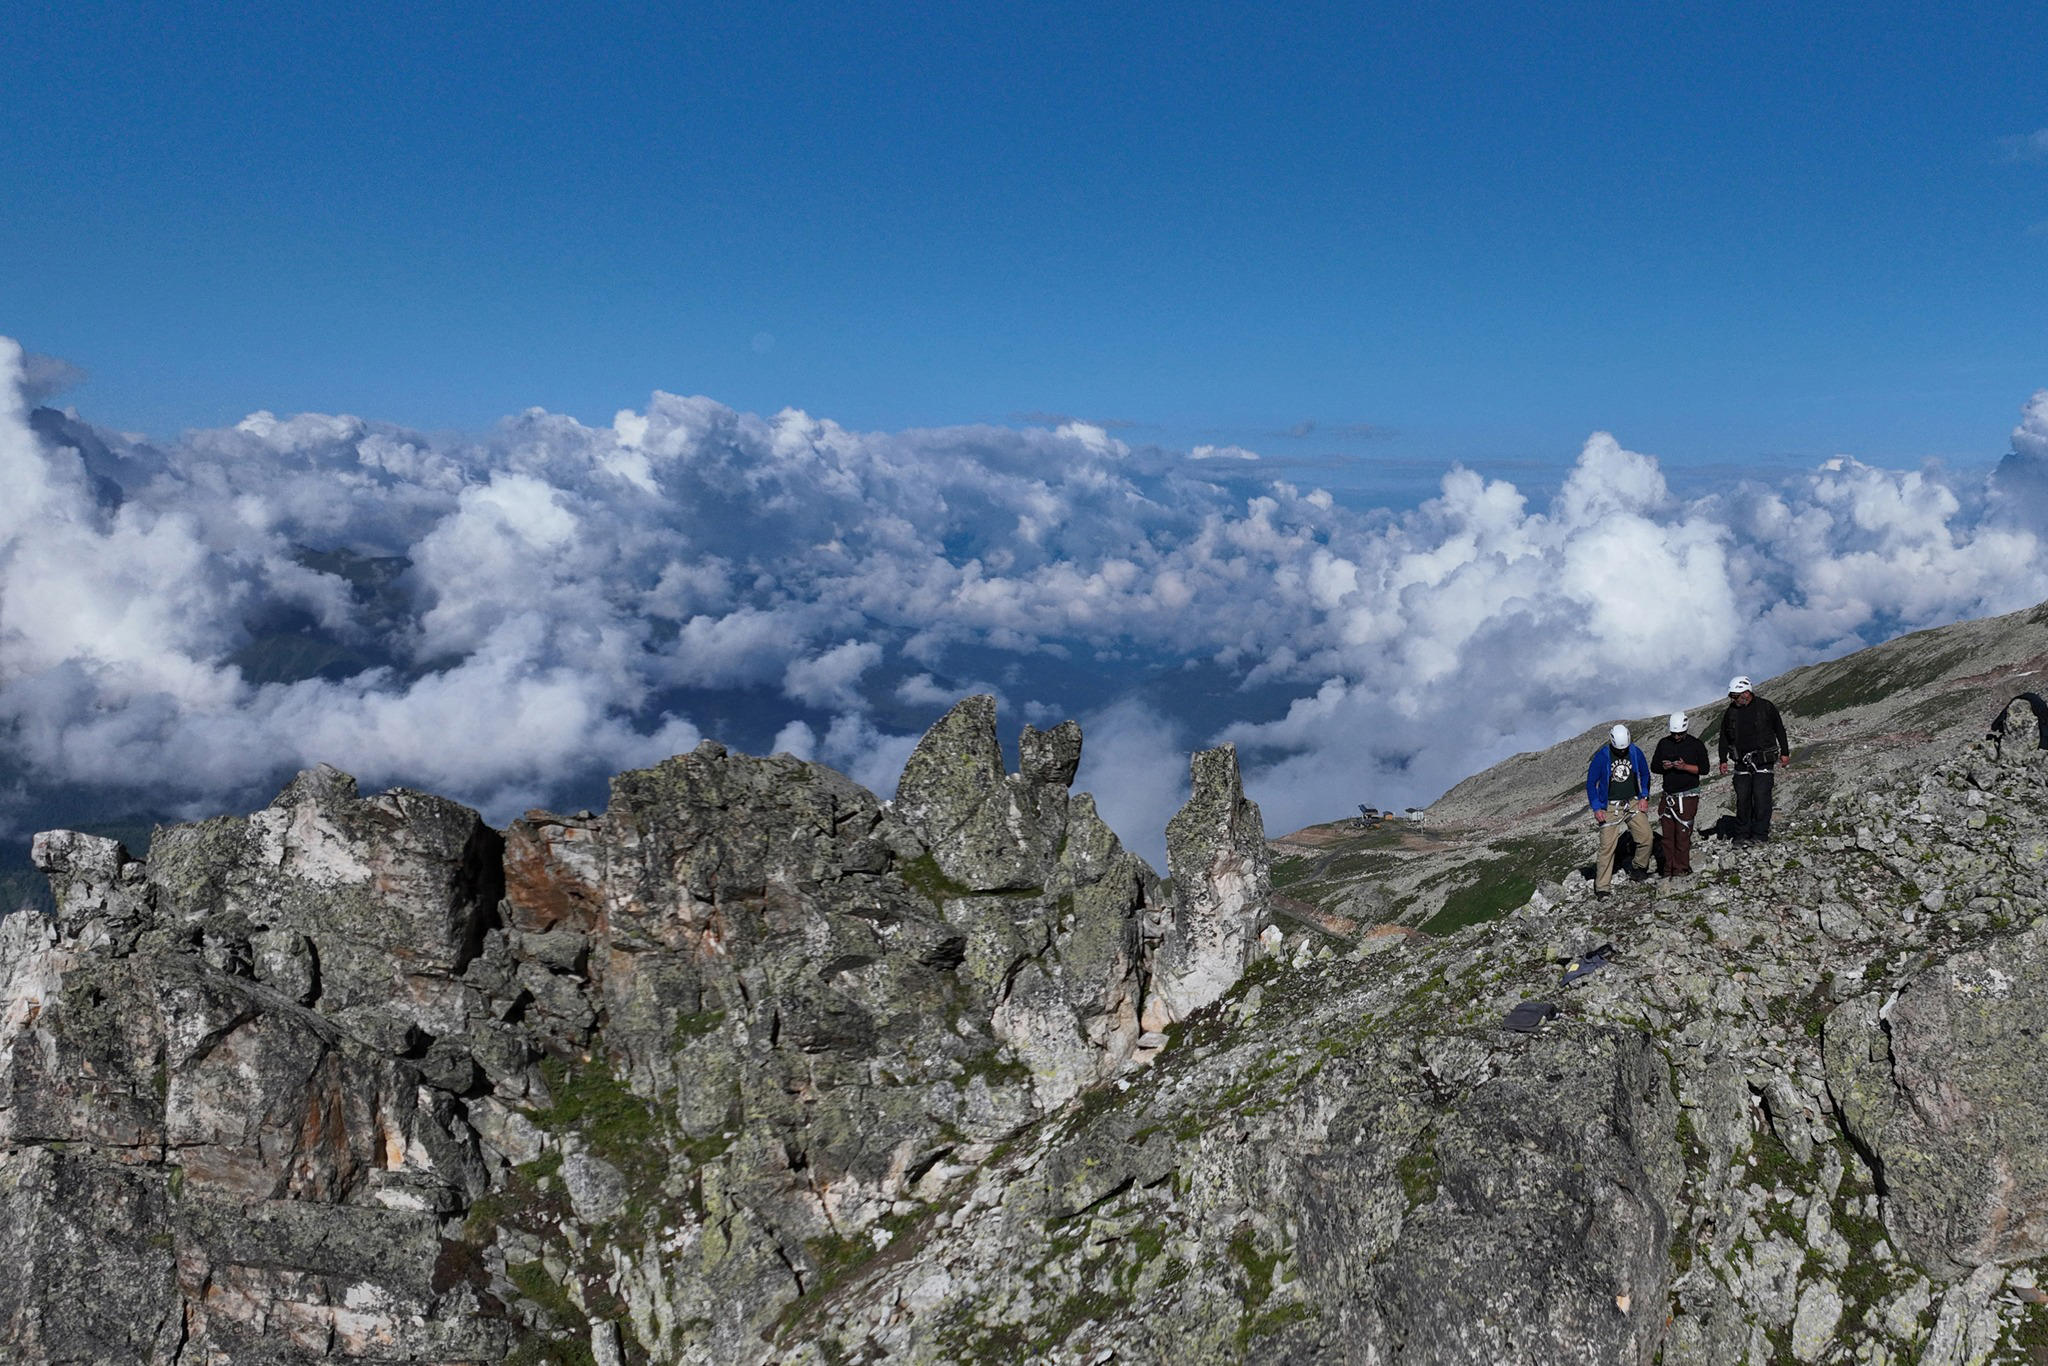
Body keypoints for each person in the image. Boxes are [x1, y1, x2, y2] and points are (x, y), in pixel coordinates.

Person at [1716, 675, 1791, 841]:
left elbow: (1779, 729)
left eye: (1735, 696)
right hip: (1741, 762)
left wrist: (1785, 752)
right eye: (1732, 696)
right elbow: (1724, 737)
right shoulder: (1731, 712)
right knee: (1742, 798)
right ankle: (1742, 834)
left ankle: (1760, 834)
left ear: (1746, 693)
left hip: (1763, 759)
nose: (1733, 699)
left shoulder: (1766, 707)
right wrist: (1723, 760)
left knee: (1761, 796)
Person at [1586, 723, 1652, 896]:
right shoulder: (1602, 757)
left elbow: (1645, 774)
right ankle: (1602, 888)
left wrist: (1644, 796)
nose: (1622, 752)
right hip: (1609, 806)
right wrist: (1596, 807)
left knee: (1646, 837)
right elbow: (1591, 784)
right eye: (1619, 750)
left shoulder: (1635, 752)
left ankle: (1639, 868)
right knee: (1607, 847)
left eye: (1625, 749)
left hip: (1632, 802)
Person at [1651, 711, 1709, 876]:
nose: (1676, 737)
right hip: (1669, 795)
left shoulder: (1696, 745)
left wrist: (1684, 767)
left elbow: (1704, 769)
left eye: (1680, 734)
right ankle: (1669, 869)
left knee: (1682, 834)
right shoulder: (1663, 744)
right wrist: (1665, 766)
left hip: (1688, 795)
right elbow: (1654, 766)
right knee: (1668, 836)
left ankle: (1681, 869)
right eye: (1674, 734)